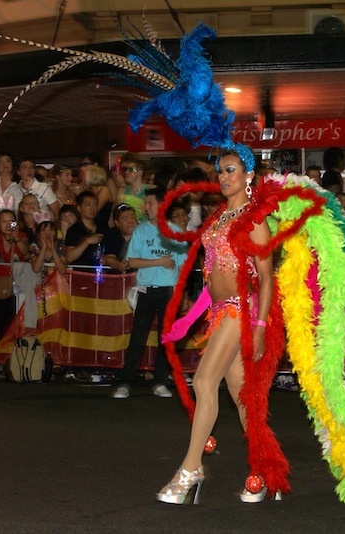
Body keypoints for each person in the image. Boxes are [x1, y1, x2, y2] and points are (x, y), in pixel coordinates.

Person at [154, 147, 282, 504]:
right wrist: (188, 320)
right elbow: (213, 283)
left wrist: (259, 328)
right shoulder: (220, 219)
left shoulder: (255, 219)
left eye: (230, 170)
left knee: (204, 380)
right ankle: (262, 469)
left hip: (243, 310)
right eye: (220, 172)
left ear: (249, 174)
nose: (223, 177)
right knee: (242, 395)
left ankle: (191, 469)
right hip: (221, 310)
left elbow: (267, 278)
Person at [112, 186, 187, 401]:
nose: (146, 208)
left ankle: (160, 382)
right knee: (138, 338)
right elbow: (131, 261)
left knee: (166, 339)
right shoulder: (141, 231)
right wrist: (159, 261)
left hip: (168, 291)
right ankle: (126, 382)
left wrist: (181, 294)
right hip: (146, 290)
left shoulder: (176, 232)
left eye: (150, 204)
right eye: (146, 204)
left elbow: (182, 266)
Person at [0, 209, 28, 338]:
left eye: (11, 221)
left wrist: (16, 238)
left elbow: (24, 250)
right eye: (4, 221)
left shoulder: (21, 236)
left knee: (15, 319)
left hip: (17, 285)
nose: (7, 224)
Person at [64, 190, 104, 268]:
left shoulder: (102, 227)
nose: (92, 208)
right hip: (80, 274)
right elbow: (69, 257)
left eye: (95, 205)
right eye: (88, 205)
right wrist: (87, 241)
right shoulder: (74, 230)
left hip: (100, 273)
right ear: (79, 208)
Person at [18, 157, 60, 221]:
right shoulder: (13, 189)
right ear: (19, 172)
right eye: (25, 167)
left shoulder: (44, 188)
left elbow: (56, 212)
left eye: (31, 167)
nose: (29, 170)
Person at [101, 203, 138, 273]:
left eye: (133, 217)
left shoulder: (143, 235)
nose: (130, 221)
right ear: (117, 222)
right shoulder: (111, 235)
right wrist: (119, 265)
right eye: (125, 218)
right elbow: (109, 258)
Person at [116, 153, 150, 220]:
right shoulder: (122, 190)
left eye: (131, 170)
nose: (126, 172)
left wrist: (146, 210)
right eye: (126, 169)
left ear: (140, 172)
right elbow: (117, 212)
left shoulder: (151, 189)